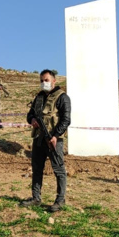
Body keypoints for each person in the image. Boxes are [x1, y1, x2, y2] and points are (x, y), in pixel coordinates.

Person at [20, 70, 71, 213]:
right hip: (38, 138)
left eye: (46, 80)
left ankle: (60, 200)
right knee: (37, 168)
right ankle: (36, 198)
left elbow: (66, 119)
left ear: (54, 81)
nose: (44, 83)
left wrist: (55, 135)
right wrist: (32, 120)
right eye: (41, 80)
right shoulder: (39, 97)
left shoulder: (62, 97)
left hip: (54, 140)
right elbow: (30, 114)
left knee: (59, 170)